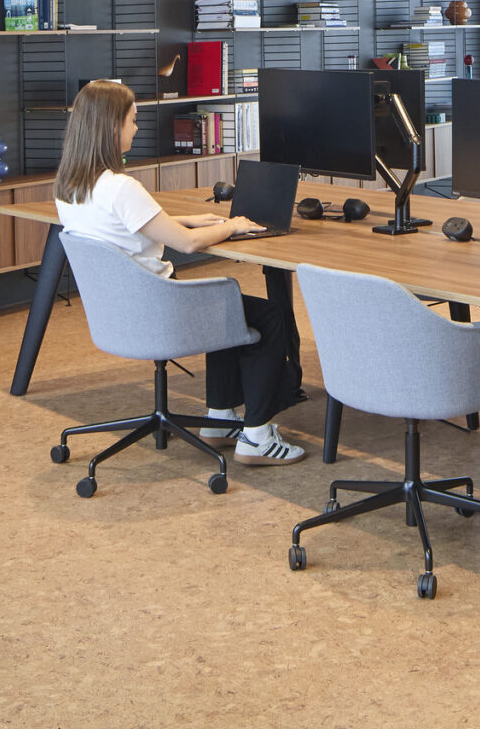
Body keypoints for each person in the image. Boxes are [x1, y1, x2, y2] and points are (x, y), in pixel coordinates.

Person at [51, 80, 309, 466]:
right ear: (110, 127)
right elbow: (186, 245)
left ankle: (220, 420)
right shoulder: (121, 187)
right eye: (133, 120)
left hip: (120, 315)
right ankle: (256, 437)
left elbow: (127, 224)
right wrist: (231, 225)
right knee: (262, 315)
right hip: (161, 313)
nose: (137, 129)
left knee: (223, 303)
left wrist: (184, 218)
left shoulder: (69, 188)